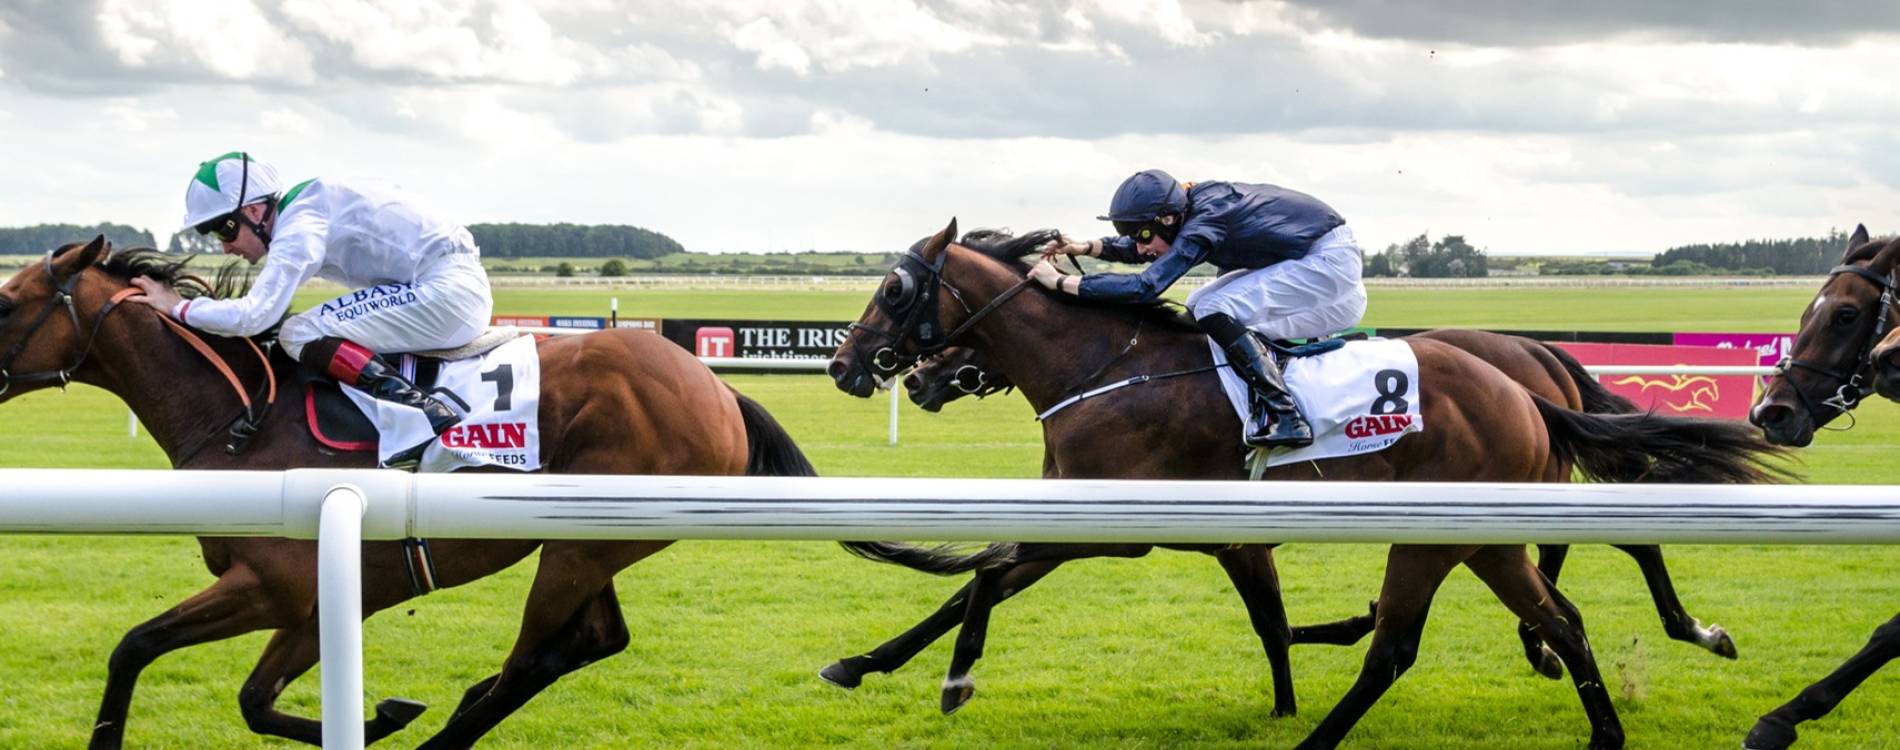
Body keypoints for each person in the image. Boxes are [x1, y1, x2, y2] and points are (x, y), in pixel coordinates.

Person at [128, 152, 494, 466]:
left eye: (224, 229)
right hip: (444, 285)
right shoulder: (312, 205)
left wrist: (178, 306)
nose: (225, 248)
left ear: (255, 210)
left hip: (446, 292)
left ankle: (425, 417)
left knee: (299, 331)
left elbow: (254, 316)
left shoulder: (300, 224)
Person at [1028, 168, 1367, 449]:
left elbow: (1145, 287)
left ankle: (1286, 414)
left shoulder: (1208, 218)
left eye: (1143, 233)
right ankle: (1259, 395)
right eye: (1132, 235)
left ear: (1170, 217)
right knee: (1198, 304)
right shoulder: (1187, 209)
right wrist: (1087, 246)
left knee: (1215, 306)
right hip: (1314, 260)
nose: (1140, 245)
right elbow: (1150, 248)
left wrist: (1061, 282)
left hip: (1329, 263)